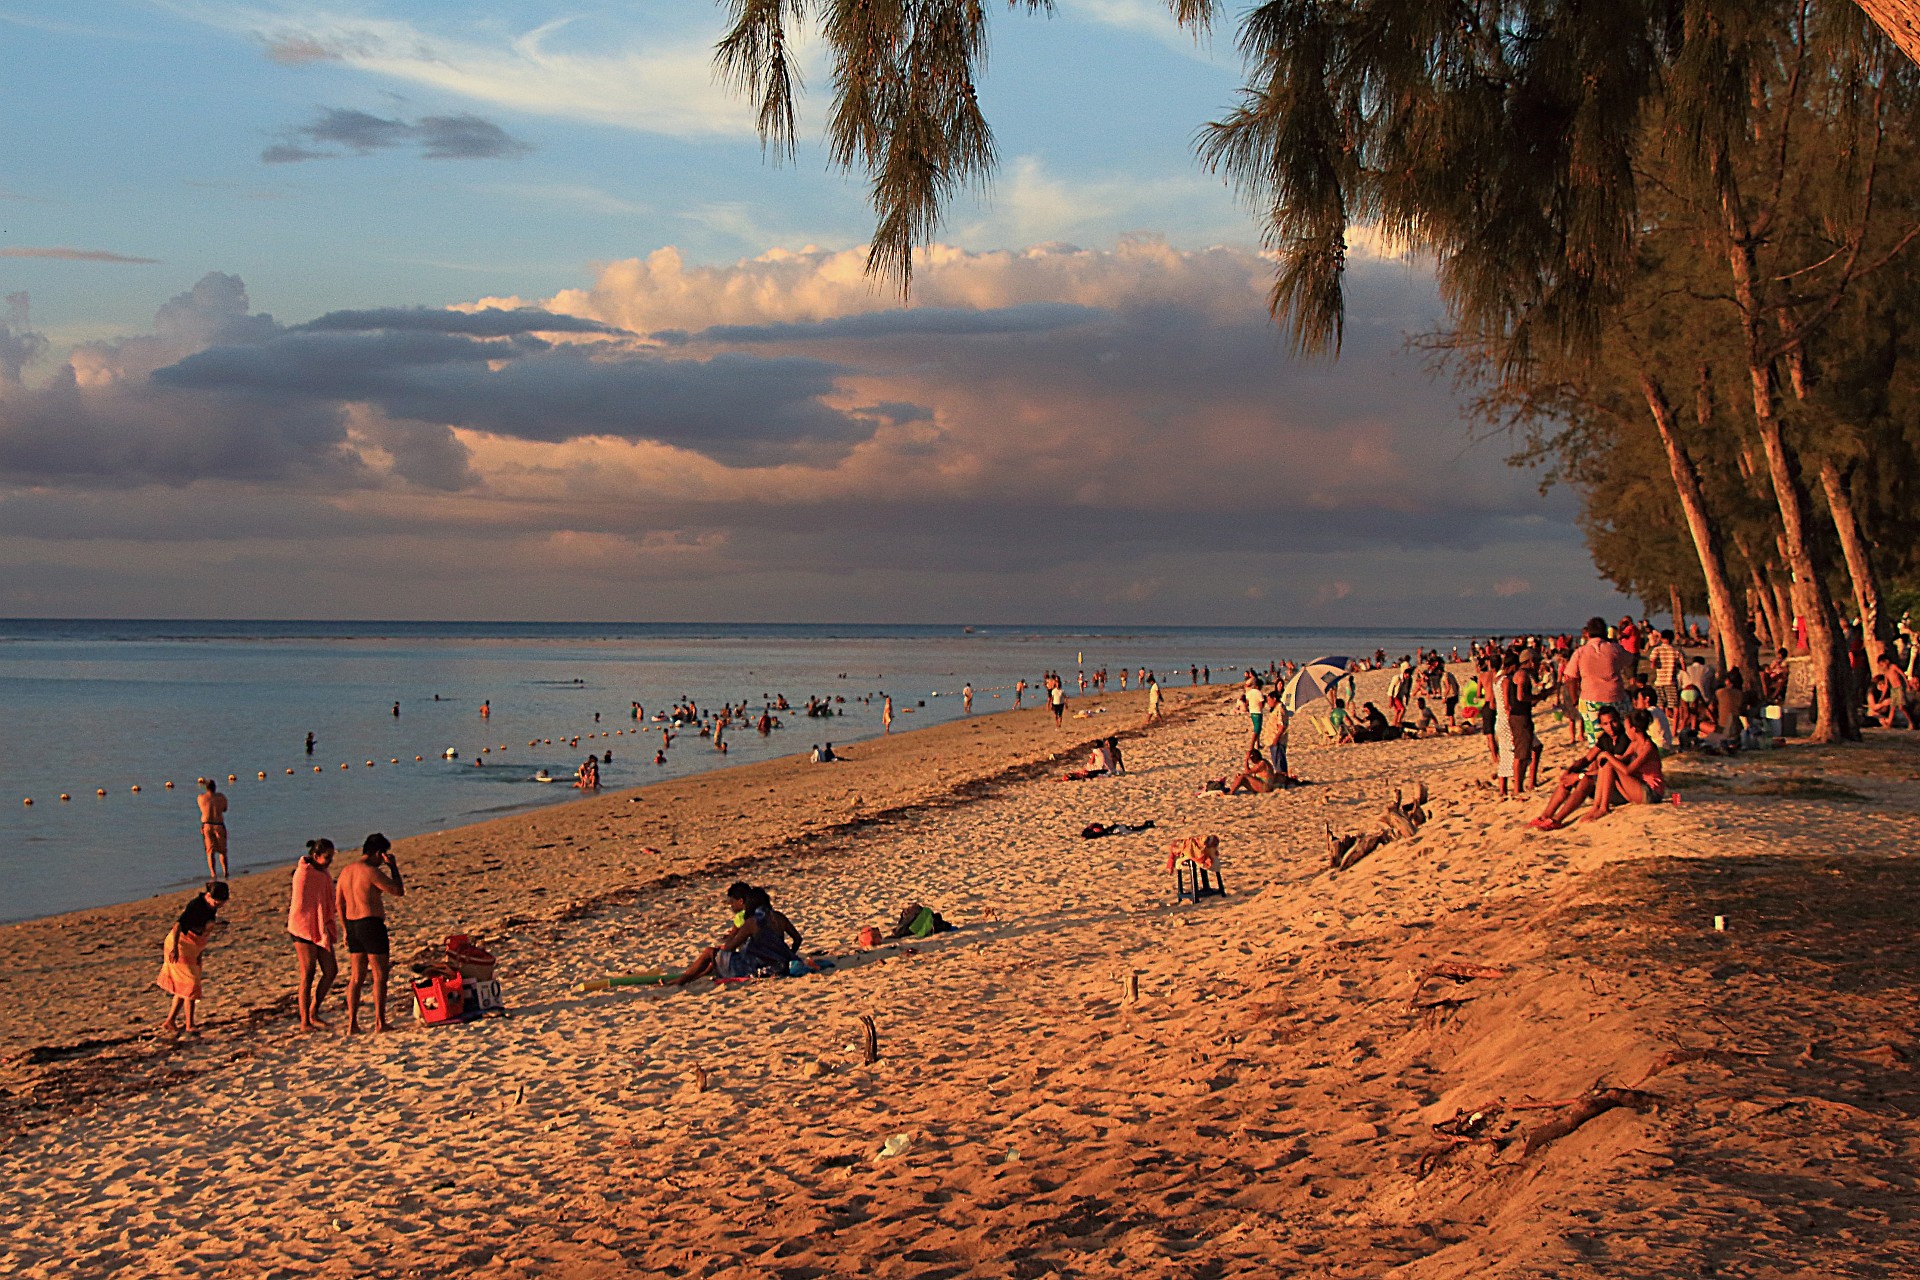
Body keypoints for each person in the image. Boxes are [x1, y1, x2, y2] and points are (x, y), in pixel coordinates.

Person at [337, 834, 405, 1034]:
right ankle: (379, 1022)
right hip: (371, 924)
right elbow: (398, 890)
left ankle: (353, 1024)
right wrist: (393, 867)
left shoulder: (345, 872)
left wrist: (344, 929)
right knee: (380, 975)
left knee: (356, 977)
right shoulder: (371, 872)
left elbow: (339, 904)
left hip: (352, 925)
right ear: (378, 853)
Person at [672, 882, 802, 985]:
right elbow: (797, 939)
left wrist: (727, 944)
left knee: (710, 952)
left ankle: (681, 981)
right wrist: (786, 955)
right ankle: (691, 977)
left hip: (756, 969)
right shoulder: (779, 917)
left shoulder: (752, 922)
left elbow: (730, 947)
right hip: (780, 967)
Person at [1529, 707, 1632, 830]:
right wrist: (1572, 769)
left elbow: (1613, 769)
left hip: (1620, 789)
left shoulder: (1624, 739)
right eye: (1605, 724)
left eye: (1613, 722)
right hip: (1605, 786)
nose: (1610, 727)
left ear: (1618, 720)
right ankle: (1545, 816)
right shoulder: (1606, 738)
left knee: (1586, 780)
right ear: (1600, 725)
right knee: (1567, 780)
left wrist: (1579, 776)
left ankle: (1557, 819)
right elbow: (1587, 758)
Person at [157, 880, 229, 1036]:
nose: (219, 904)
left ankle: (170, 1021)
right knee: (191, 985)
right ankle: (190, 1024)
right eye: (217, 901)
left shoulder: (211, 908)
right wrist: (175, 949)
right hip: (180, 945)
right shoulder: (197, 906)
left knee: (185, 985)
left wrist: (199, 954)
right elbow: (178, 926)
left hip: (193, 947)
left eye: (221, 902)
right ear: (209, 896)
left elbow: (202, 934)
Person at [289, 839, 339, 1031]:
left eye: (331, 858)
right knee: (308, 973)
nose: (329, 861)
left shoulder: (323, 874)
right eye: (327, 857)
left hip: (319, 927)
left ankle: (314, 1011)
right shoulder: (304, 873)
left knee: (331, 970)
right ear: (316, 856)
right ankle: (304, 1021)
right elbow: (304, 904)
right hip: (302, 927)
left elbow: (324, 899)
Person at [1581, 710, 1669, 820]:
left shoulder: (1648, 747)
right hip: (1637, 787)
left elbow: (1628, 771)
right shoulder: (1635, 744)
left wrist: (1607, 755)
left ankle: (1604, 808)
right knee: (1609, 765)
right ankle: (1596, 806)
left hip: (1651, 793)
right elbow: (1622, 759)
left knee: (1610, 765)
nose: (1626, 732)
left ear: (1633, 729)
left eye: (1627, 729)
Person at [1565, 616, 1634, 745]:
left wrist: (1575, 700)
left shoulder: (1580, 652)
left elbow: (1570, 678)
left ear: (1588, 633)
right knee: (1620, 734)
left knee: (1595, 738)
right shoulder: (1614, 648)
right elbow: (1630, 660)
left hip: (1590, 698)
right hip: (1615, 696)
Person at [197, 778, 229, 880]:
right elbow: (225, 808)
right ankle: (225, 871)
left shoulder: (201, 798)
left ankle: (213, 873)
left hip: (207, 825)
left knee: (210, 851)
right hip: (218, 824)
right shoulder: (221, 797)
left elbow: (202, 808)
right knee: (222, 851)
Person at [1259, 689, 1291, 778]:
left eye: (1269, 700)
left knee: (1279, 761)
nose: (1268, 703)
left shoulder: (1280, 709)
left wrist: (1276, 738)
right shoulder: (1276, 709)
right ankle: (1282, 777)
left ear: (1274, 699)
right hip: (1273, 739)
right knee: (1277, 760)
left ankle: (1282, 778)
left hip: (1277, 740)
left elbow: (1282, 726)